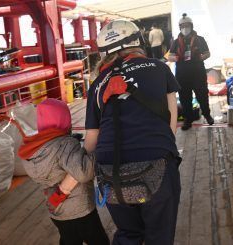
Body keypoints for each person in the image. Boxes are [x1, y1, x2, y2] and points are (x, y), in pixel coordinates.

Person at [85, 20, 181, 245]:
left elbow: (91, 143)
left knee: (129, 233)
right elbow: (171, 121)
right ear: (137, 41)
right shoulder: (159, 67)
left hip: (111, 173)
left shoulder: (98, 83)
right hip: (156, 163)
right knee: (159, 235)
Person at [18, 98, 109, 245]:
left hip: (57, 212)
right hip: (80, 210)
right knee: (99, 240)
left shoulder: (33, 150)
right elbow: (83, 172)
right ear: (65, 121)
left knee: (69, 240)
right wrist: (97, 152)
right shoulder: (64, 144)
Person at [168, 13, 214, 130]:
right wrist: (176, 58)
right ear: (179, 27)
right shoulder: (176, 41)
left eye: (187, 25)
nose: (185, 28)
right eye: (182, 26)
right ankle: (188, 120)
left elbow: (208, 53)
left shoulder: (200, 39)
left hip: (198, 72)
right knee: (184, 97)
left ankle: (207, 115)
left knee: (202, 95)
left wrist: (199, 57)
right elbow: (169, 56)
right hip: (182, 74)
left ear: (191, 26)